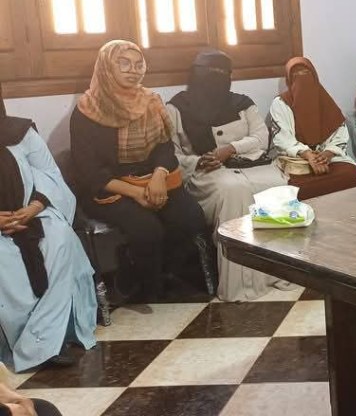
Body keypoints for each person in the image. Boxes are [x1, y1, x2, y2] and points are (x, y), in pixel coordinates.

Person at [70, 40, 210, 301]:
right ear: (106, 67)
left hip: (153, 178)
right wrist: (135, 193)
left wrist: (158, 176)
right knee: (147, 228)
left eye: (138, 64)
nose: (133, 70)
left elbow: (165, 147)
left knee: (191, 218)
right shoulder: (86, 111)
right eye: (123, 64)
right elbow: (90, 172)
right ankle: (144, 285)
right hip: (109, 187)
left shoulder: (150, 101)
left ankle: (169, 273)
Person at [167, 50, 294, 302]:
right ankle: (242, 285)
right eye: (210, 73)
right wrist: (199, 160)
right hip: (206, 173)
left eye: (223, 73)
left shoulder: (242, 103)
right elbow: (171, 154)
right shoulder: (177, 108)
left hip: (249, 165)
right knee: (233, 190)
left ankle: (281, 272)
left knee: (277, 184)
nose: (217, 79)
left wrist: (230, 149)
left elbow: (261, 137)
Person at [0, 86, 96, 373]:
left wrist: (35, 207)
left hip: (32, 215)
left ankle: (45, 341)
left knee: (61, 239)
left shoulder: (21, 132)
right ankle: (23, 341)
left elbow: (51, 175)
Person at [269, 57, 356, 200]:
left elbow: (340, 133)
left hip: (329, 158)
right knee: (297, 187)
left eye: (306, 73)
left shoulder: (324, 100)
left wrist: (327, 155)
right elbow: (283, 140)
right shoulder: (280, 103)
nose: (302, 79)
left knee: (353, 174)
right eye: (296, 75)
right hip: (298, 159)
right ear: (289, 80)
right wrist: (308, 155)